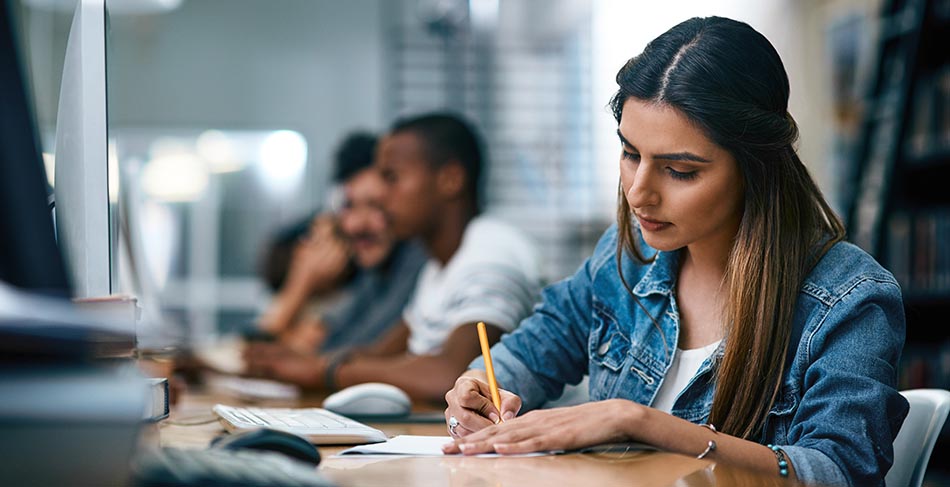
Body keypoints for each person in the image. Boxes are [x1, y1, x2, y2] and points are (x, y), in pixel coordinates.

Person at [441, 17, 908, 487]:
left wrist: (640, 422)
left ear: (755, 168)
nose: (639, 193)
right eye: (630, 153)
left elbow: (839, 473)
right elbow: (524, 355)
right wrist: (476, 390)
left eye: (680, 170)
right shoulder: (625, 259)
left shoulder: (848, 299)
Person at [246, 113, 542, 403]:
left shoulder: (491, 251)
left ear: (450, 179)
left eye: (392, 178)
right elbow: (382, 353)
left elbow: (454, 376)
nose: (382, 197)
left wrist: (323, 371)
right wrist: (286, 362)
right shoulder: (439, 266)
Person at [257, 132, 427, 353]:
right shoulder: (373, 275)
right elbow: (332, 348)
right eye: (349, 206)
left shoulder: (417, 260)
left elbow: (349, 356)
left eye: (375, 205)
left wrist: (302, 283)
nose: (356, 225)